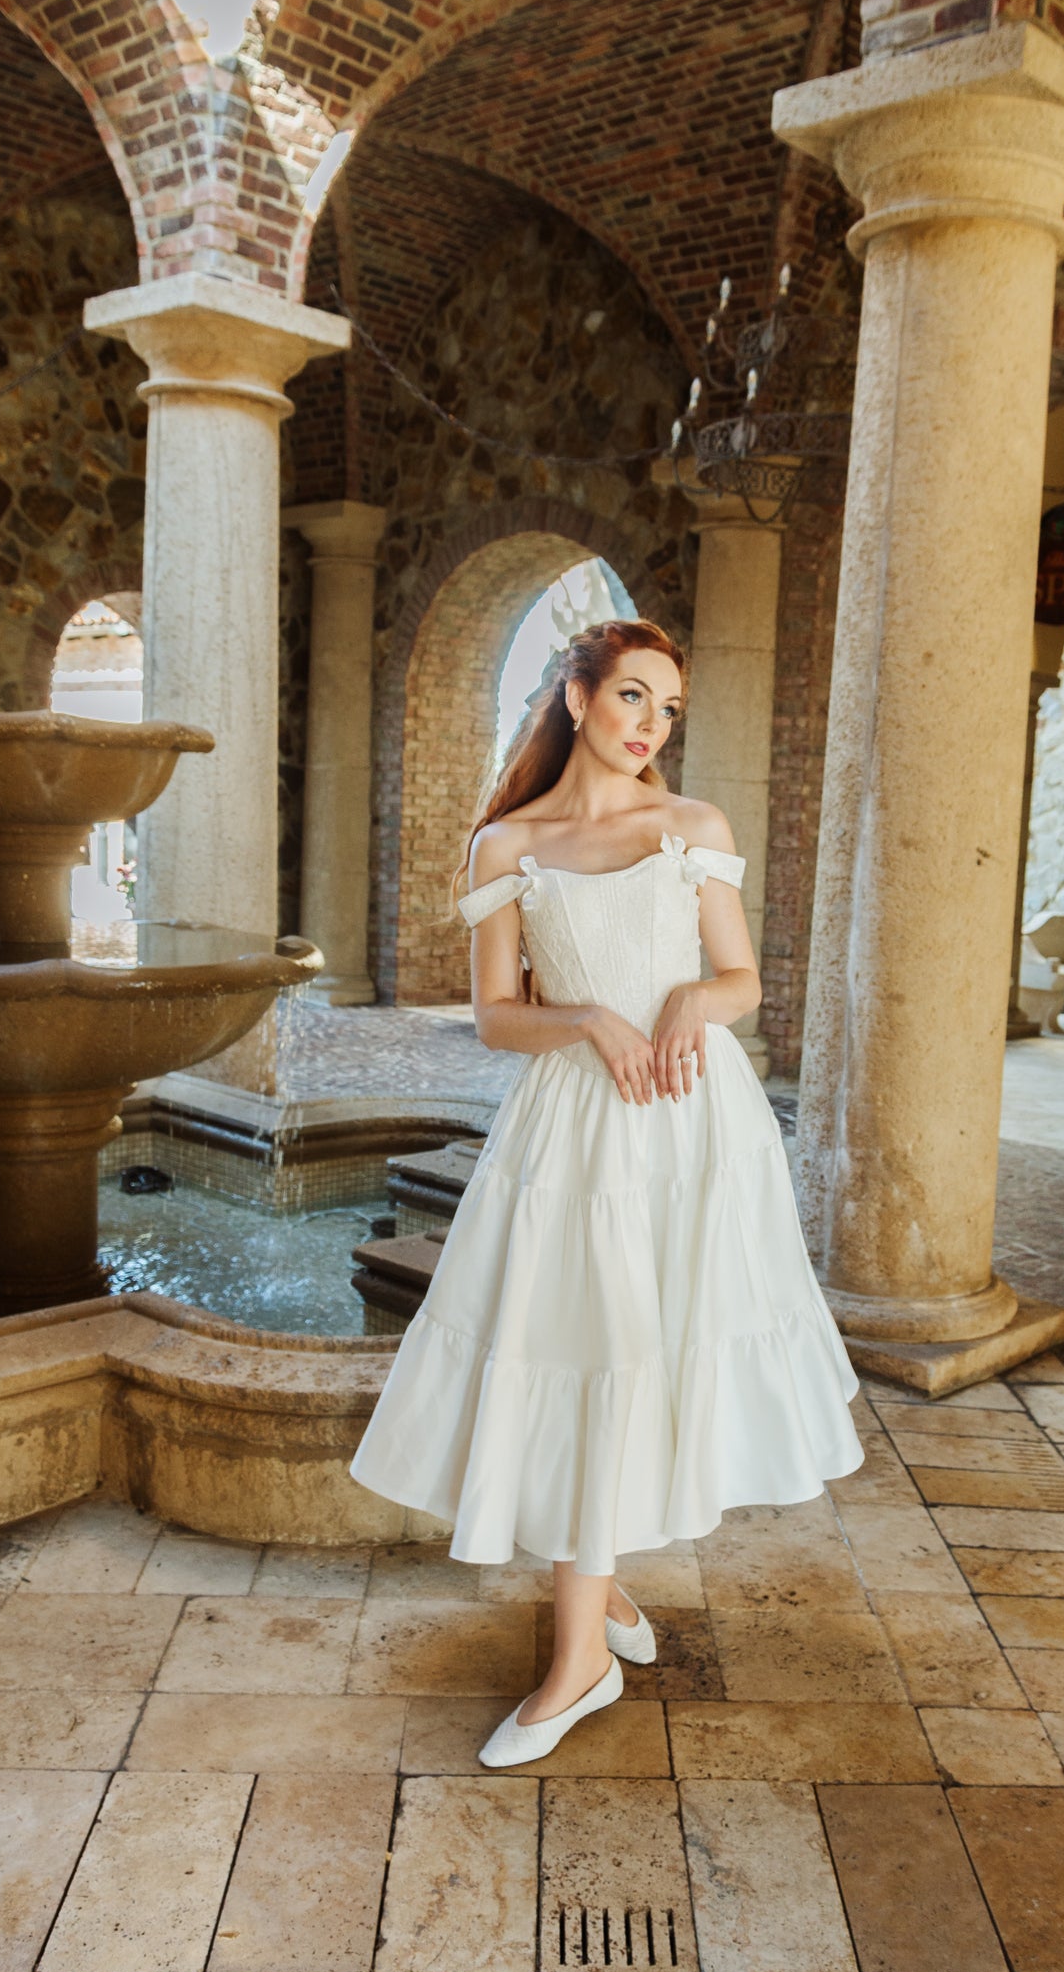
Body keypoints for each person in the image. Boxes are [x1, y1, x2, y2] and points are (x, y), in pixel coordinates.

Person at [348, 617, 864, 1765]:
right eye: (631, 697)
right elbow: (492, 1016)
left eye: (666, 707)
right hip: (576, 1130)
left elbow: (742, 979)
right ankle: (595, 1626)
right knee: (586, 1347)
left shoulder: (691, 828)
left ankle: (583, 1643)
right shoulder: (506, 845)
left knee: (640, 1343)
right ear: (576, 696)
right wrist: (584, 1014)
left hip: (692, 1126)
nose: (648, 726)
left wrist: (692, 1001)